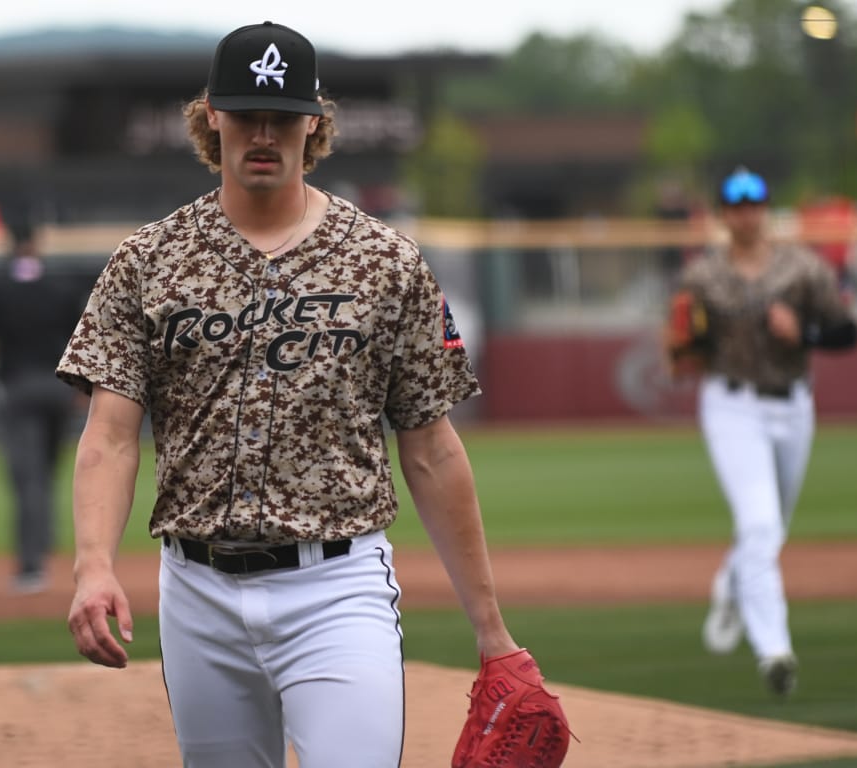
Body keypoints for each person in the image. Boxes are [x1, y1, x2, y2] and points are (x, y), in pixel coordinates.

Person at [56, 22, 547, 766]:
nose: (263, 132)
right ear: (210, 116)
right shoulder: (148, 260)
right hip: (197, 592)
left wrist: (492, 632)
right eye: (246, 112)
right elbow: (112, 433)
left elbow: (432, 449)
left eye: (281, 115)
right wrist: (93, 565)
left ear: (312, 122)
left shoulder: (385, 262)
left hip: (337, 589)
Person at [666, 167, 857, 697]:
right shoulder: (703, 276)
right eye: (736, 204)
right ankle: (774, 649)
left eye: (754, 203)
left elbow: (848, 331)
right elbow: (683, 347)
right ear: (725, 213)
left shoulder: (803, 269)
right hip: (732, 405)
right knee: (759, 525)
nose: (746, 213)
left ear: (765, 210)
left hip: (792, 406)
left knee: (772, 528)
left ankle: (730, 586)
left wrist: (807, 332)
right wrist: (682, 351)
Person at [0, 220, 86, 594]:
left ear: (9, 244)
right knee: (46, 473)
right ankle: (45, 545)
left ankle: (32, 566)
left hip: (19, 387)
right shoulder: (60, 285)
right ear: (36, 243)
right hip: (59, 389)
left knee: (29, 478)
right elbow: (85, 334)